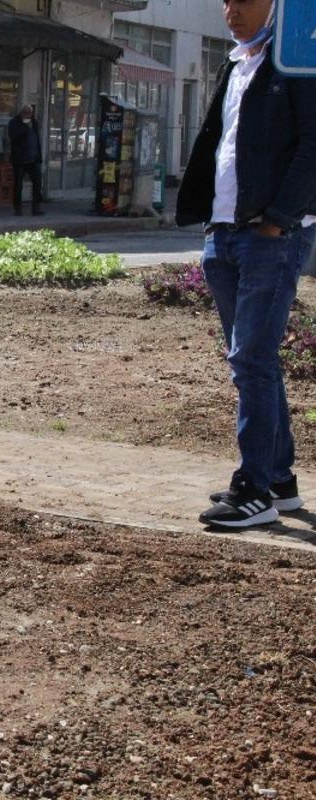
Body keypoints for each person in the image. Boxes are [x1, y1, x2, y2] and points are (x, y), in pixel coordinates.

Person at [177, 0, 316, 529]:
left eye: (246, 0)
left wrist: (279, 219)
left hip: (270, 235)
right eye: (227, 0)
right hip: (226, 231)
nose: (232, 10)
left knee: (252, 359)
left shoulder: (295, 62)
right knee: (254, 362)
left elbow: (314, 145)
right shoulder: (235, 63)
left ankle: (252, 489)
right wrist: (213, 221)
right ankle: (278, 480)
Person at [8, 104, 44, 216]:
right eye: (26, 113)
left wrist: (38, 154)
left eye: (30, 113)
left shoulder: (34, 123)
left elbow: (36, 139)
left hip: (34, 158)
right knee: (18, 185)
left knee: (37, 183)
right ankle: (18, 208)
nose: (28, 115)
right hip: (20, 159)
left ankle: (36, 207)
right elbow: (13, 136)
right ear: (21, 113)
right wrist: (25, 127)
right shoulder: (14, 123)